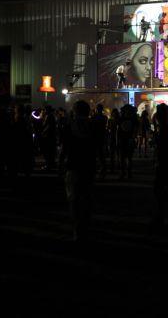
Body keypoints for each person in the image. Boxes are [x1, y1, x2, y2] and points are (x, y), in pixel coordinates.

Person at [63, 100, 96, 242]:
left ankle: (77, 228)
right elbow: (97, 146)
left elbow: (65, 147)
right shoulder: (93, 126)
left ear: (75, 111)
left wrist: (60, 164)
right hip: (88, 165)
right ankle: (86, 226)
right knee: (87, 197)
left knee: (74, 199)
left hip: (73, 165)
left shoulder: (69, 125)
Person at [117, 105, 138, 179]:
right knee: (127, 157)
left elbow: (119, 130)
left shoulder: (122, 119)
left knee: (125, 157)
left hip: (126, 139)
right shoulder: (132, 119)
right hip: (127, 139)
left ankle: (125, 173)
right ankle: (127, 173)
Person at [91, 104, 108, 178]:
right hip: (99, 137)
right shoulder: (103, 117)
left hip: (97, 137)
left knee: (98, 155)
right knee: (100, 155)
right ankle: (101, 170)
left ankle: (100, 170)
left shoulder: (95, 117)